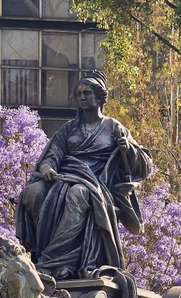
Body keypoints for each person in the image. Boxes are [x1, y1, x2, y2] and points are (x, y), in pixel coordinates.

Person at [18, 70, 153, 280]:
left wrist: (127, 148)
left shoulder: (113, 127)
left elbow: (145, 165)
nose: (82, 97)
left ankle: (56, 262)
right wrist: (46, 169)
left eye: (87, 93)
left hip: (96, 184)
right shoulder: (69, 129)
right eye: (79, 93)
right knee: (33, 192)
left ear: (99, 97)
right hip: (65, 177)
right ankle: (39, 251)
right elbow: (53, 155)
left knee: (78, 194)